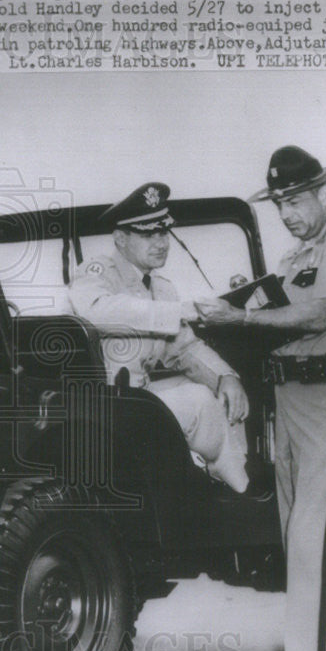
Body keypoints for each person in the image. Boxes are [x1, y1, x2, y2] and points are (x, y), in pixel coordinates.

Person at [196, 146, 326, 651]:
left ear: (324, 194)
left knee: (310, 545)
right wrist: (222, 309)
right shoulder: (297, 256)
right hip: (291, 401)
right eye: (280, 205)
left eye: (297, 200)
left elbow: (317, 316)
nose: (289, 214)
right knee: (316, 544)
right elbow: (271, 301)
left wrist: (242, 319)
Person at [68, 182, 250, 493]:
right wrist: (180, 310)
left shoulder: (161, 288)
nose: (161, 242)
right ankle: (238, 493)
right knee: (198, 400)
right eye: (148, 234)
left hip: (136, 398)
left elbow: (184, 349)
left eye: (163, 232)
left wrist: (226, 377)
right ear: (121, 239)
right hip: (98, 406)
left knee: (221, 394)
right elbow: (97, 312)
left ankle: (231, 484)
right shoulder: (96, 273)